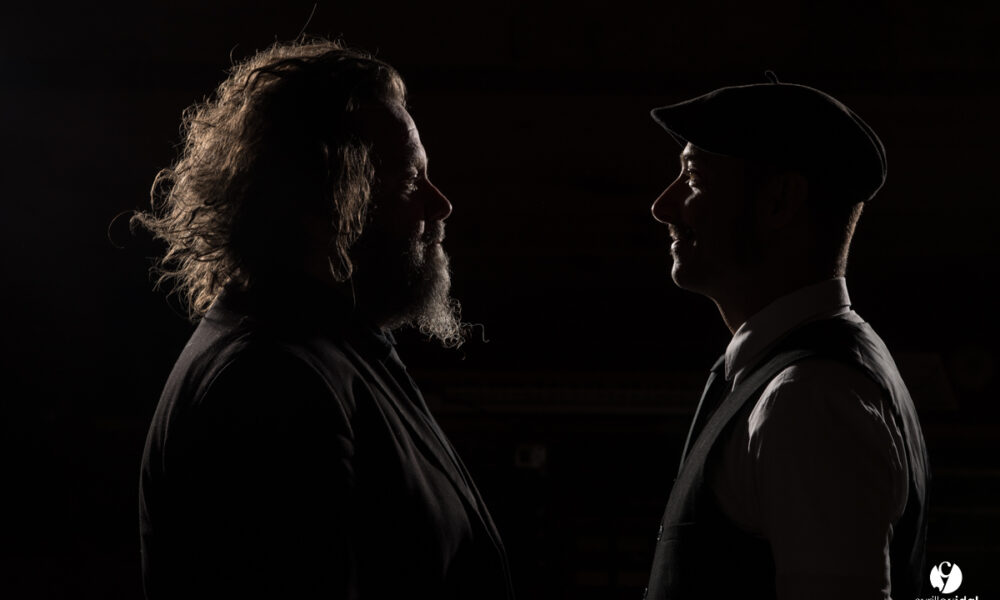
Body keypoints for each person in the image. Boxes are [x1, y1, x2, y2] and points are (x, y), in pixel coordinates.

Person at [134, 39, 513, 599]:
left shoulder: (332, 347)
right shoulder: (269, 381)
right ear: (327, 205)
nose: (440, 205)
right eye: (410, 182)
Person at [642, 75, 930, 600]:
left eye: (694, 178)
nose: (662, 206)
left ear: (778, 201)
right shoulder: (806, 374)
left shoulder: (808, 398)